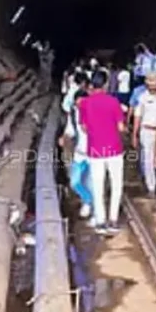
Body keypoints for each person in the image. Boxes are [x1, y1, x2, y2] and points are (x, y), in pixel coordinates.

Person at [77, 70, 126, 236]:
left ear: (92, 85)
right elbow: (120, 127)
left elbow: (83, 127)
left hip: (95, 150)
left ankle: (100, 222)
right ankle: (113, 221)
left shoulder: (84, 103)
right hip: (114, 150)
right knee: (116, 185)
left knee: (98, 186)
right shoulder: (113, 102)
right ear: (105, 84)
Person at [58, 88, 92, 219]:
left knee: (90, 182)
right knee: (75, 182)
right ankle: (88, 200)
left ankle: (88, 205)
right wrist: (64, 137)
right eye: (78, 104)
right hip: (79, 153)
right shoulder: (73, 114)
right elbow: (70, 130)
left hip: (93, 154)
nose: (80, 107)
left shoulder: (95, 113)